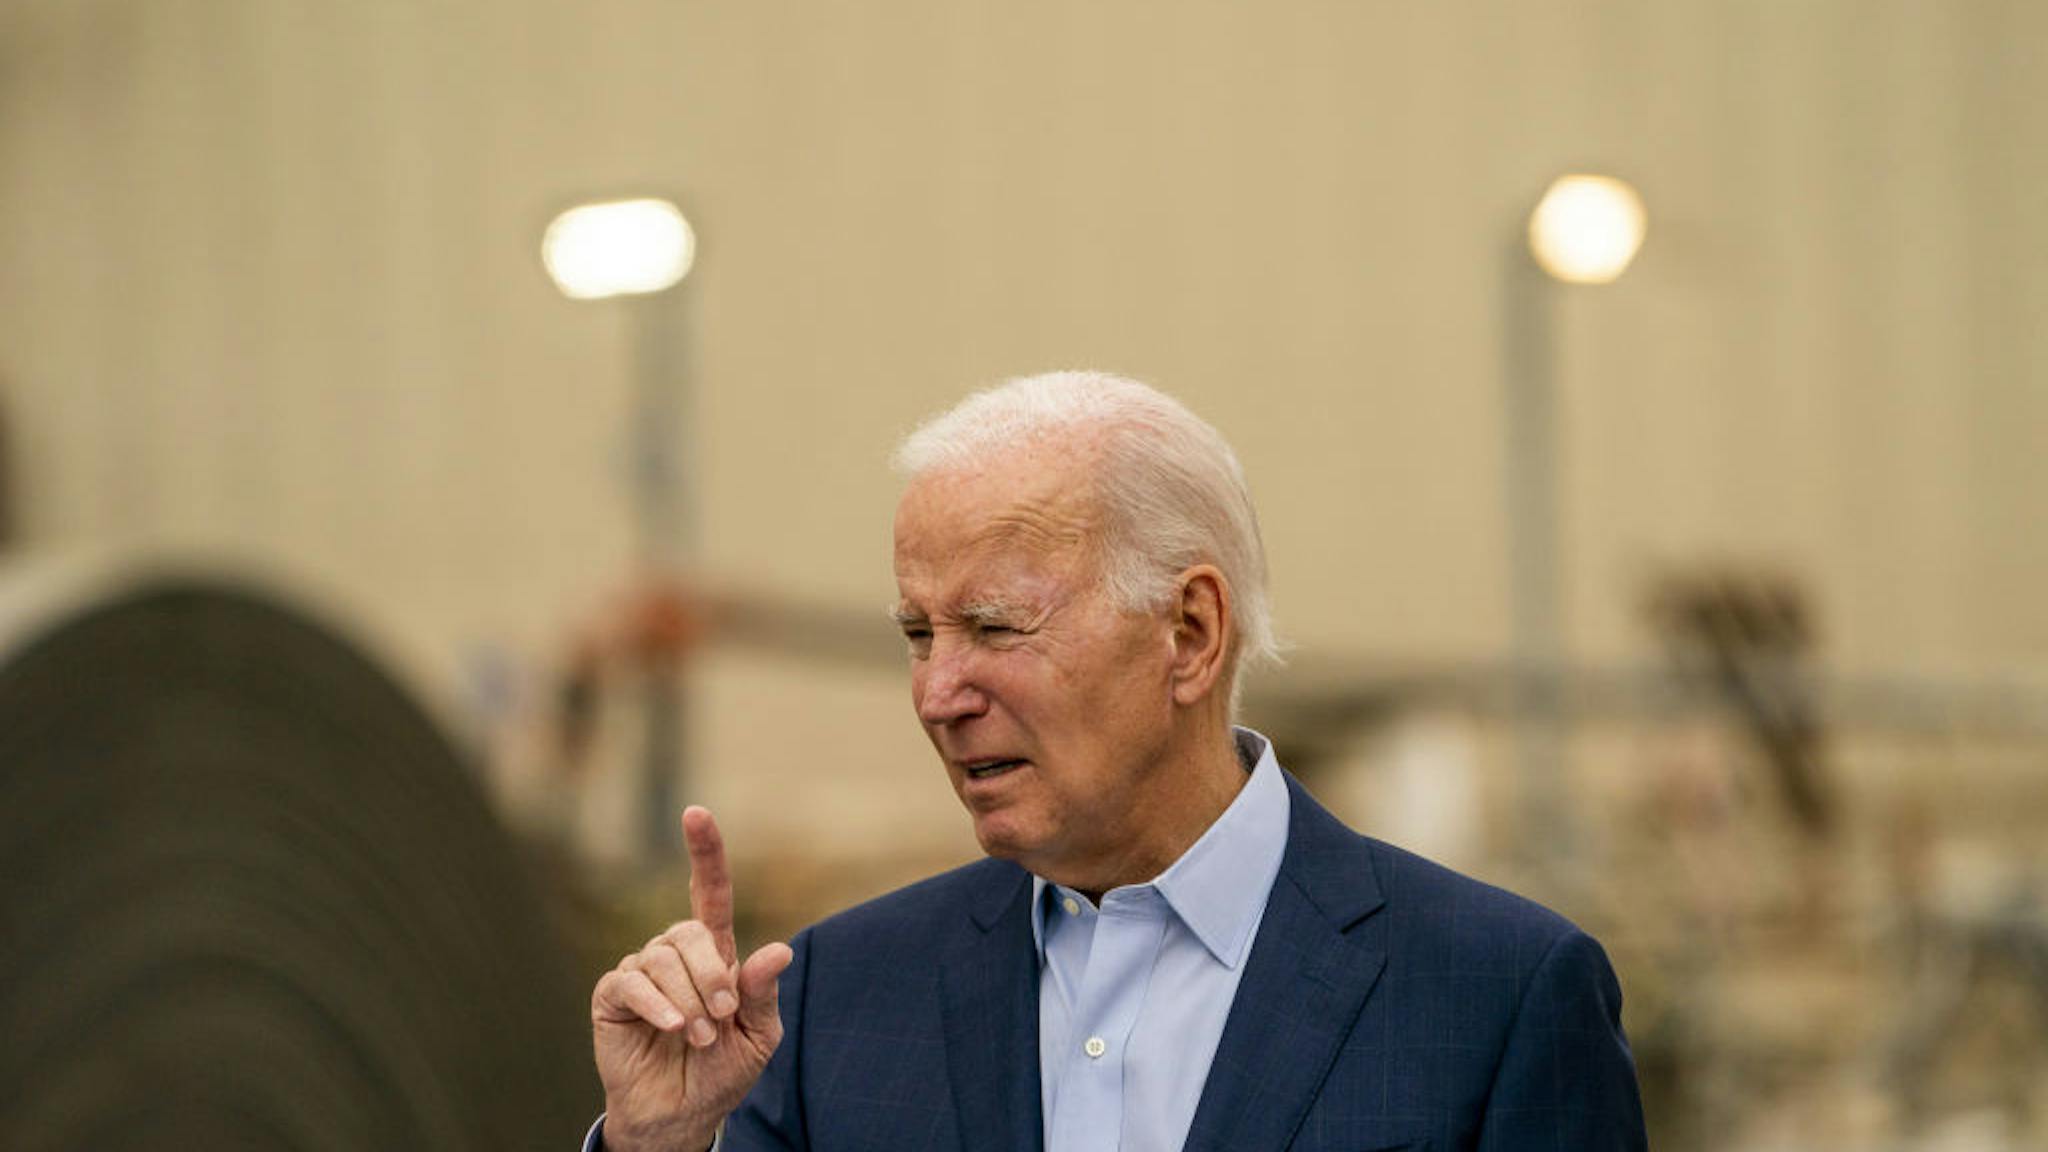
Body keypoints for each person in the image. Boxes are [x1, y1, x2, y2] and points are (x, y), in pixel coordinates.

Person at [584, 371, 1648, 1151]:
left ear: (1189, 633)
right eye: (918, 634)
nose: (937, 694)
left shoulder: (1496, 996)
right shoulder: (829, 1004)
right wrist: (655, 1146)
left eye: (994, 628)